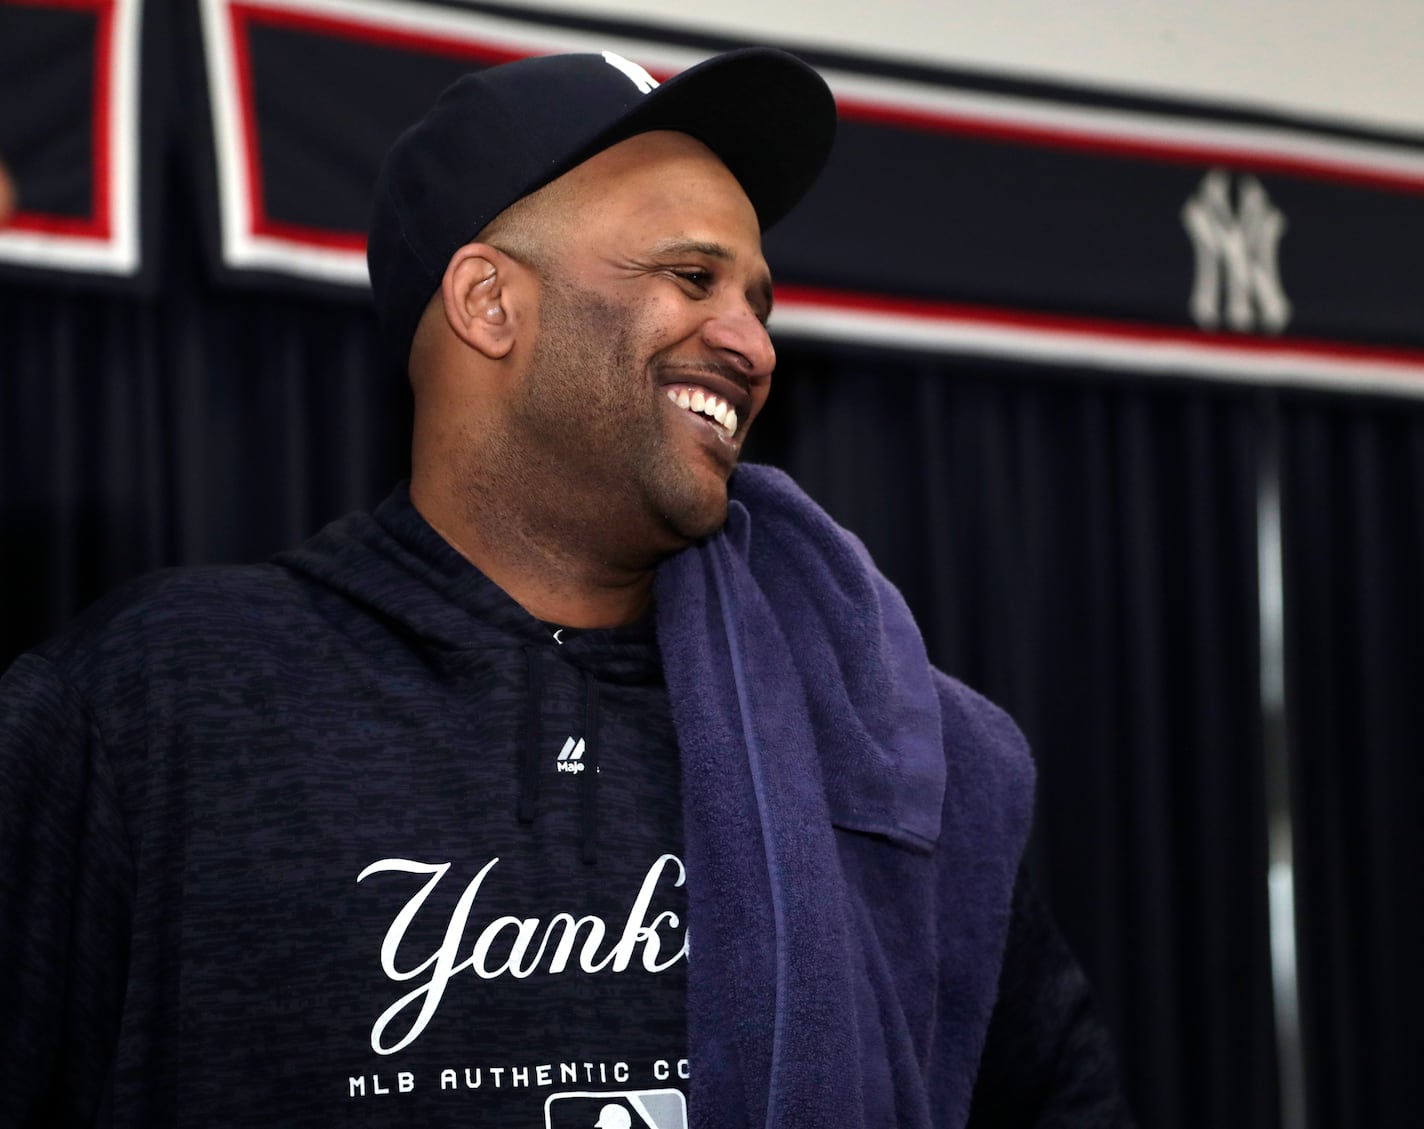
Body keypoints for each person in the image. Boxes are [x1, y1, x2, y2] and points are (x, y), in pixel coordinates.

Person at [0, 48, 1132, 1127]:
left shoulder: (879, 735)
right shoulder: (162, 700)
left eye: (758, 301)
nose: (752, 343)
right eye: (692, 276)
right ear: (489, 302)